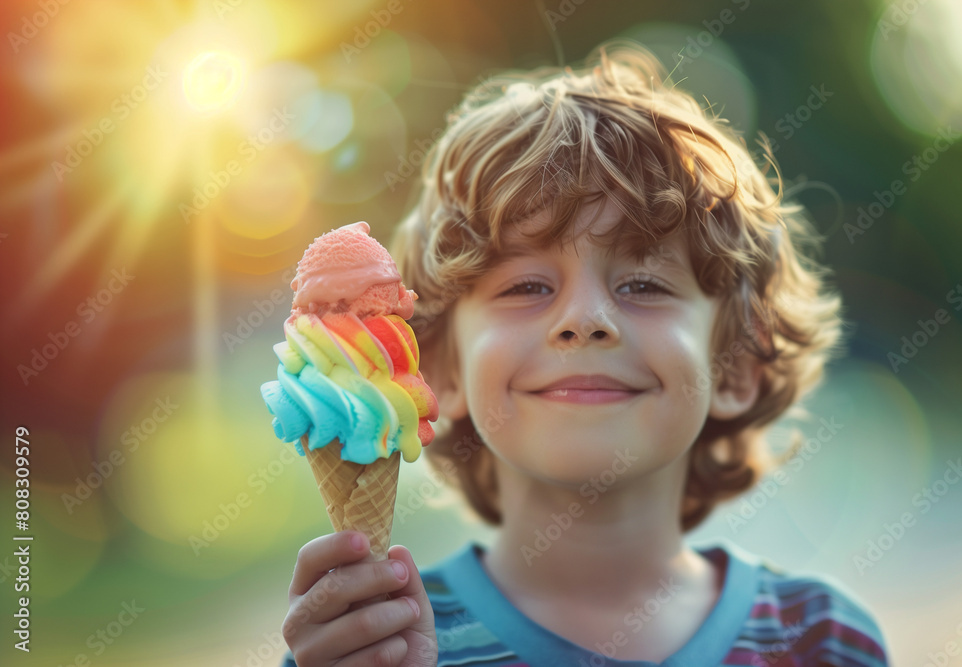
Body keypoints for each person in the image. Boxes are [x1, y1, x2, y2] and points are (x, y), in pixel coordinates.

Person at [279, 40, 889, 666]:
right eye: (527, 287)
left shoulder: (824, 640)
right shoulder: (371, 642)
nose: (585, 320)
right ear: (437, 372)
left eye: (644, 285)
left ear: (735, 364)